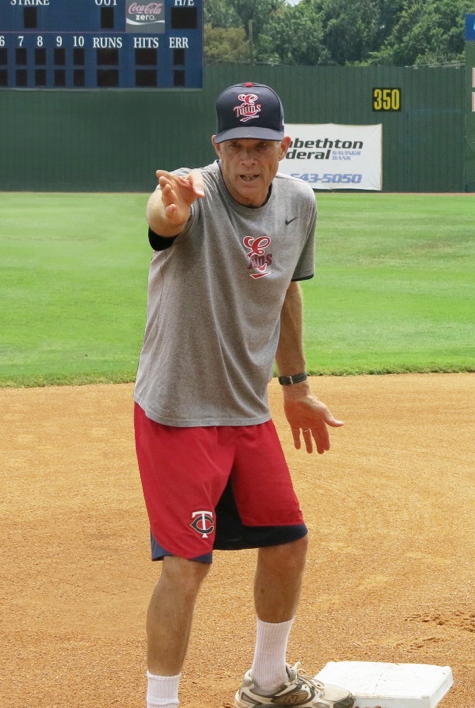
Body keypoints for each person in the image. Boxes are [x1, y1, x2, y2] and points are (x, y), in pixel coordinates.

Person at [134, 82, 354, 708]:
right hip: (179, 413)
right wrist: (169, 210)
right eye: (236, 147)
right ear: (217, 148)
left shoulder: (299, 203)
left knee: (287, 543)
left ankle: (267, 682)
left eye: (261, 145)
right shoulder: (192, 192)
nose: (248, 159)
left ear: (284, 146)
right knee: (188, 564)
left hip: (246, 412)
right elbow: (163, 217)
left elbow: (286, 289)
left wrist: (296, 386)